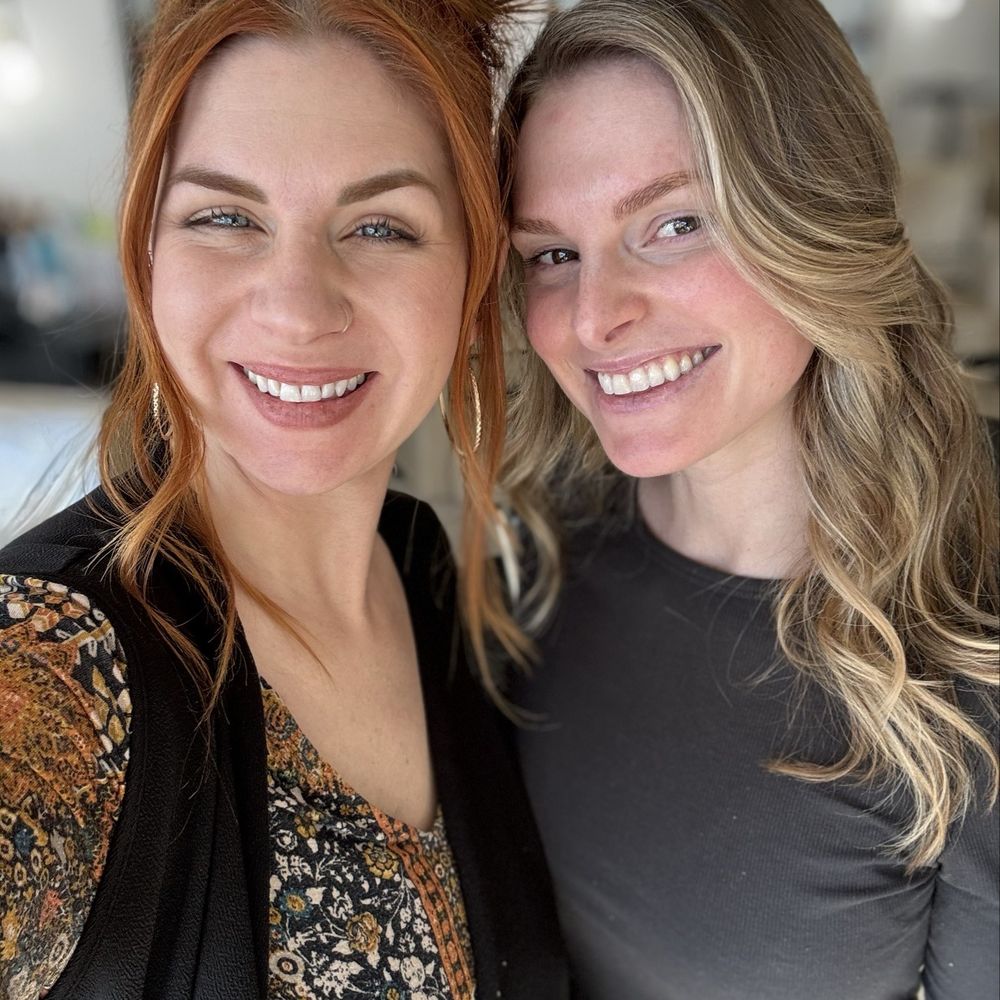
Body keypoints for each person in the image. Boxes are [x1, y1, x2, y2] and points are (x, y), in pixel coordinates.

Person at [0, 1, 568, 998]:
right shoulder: (53, 657)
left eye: (382, 226)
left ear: (474, 269)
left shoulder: (431, 575)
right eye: (225, 217)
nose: (299, 309)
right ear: (147, 251)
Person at [492, 1, 1000, 997]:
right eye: (553, 253)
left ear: (814, 212)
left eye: (675, 224)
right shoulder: (537, 554)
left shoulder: (969, 643)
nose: (593, 318)